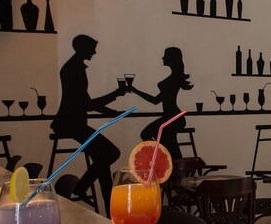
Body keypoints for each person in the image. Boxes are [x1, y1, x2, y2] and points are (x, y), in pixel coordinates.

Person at [51, 34, 126, 214]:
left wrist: (111, 111)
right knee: (112, 153)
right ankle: (81, 187)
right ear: (83, 48)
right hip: (71, 124)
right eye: (92, 48)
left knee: (103, 160)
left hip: (71, 122)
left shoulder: (74, 66)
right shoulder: (74, 68)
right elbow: (86, 104)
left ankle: (109, 212)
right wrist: (115, 95)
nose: (95, 52)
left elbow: (84, 102)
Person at [128, 47, 193, 160]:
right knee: (166, 143)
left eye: (165, 55)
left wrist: (134, 90)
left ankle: (164, 161)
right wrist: (134, 90)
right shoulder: (175, 77)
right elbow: (157, 100)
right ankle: (166, 161)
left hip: (173, 118)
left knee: (150, 136)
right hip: (172, 117)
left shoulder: (174, 78)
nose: (163, 58)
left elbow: (155, 100)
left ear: (172, 58)